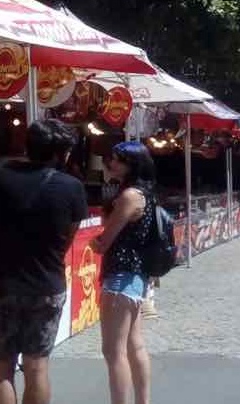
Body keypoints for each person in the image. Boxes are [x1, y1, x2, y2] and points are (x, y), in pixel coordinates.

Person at [0, 119, 88, 404]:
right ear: (60, 153)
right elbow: (67, 238)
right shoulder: (72, 187)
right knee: (37, 367)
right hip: (46, 285)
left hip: (0, 284)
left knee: (0, 373)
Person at [91, 142, 156, 404]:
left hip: (120, 274)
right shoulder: (145, 194)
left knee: (113, 351)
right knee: (133, 345)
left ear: (132, 164)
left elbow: (105, 241)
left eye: (117, 160)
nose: (110, 164)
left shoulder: (129, 196)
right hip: (135, 275)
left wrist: (92, 243)